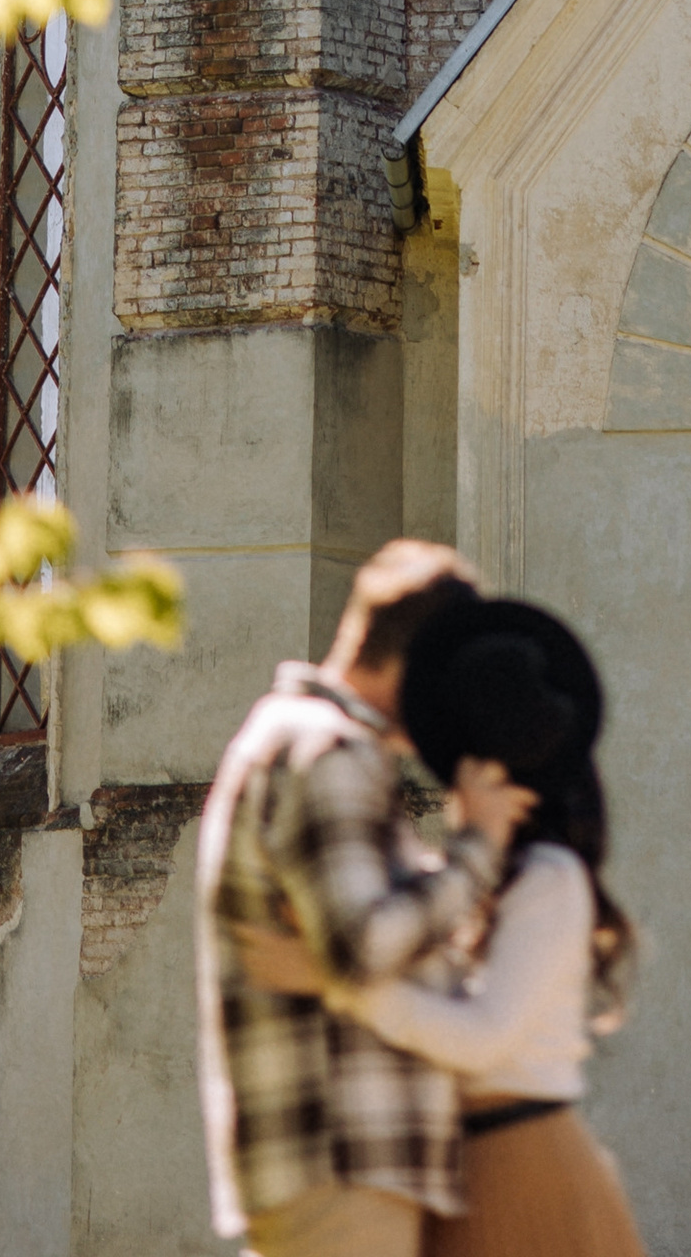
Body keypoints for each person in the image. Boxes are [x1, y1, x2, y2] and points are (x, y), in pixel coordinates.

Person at [239, 594, 646, 1257]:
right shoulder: (480, 879)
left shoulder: (550, 880)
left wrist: (340, 982)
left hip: (522, 1163)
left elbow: (483, 1039)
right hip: (469, 1167)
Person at [197, 539, 535, 1257]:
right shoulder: (331, 754)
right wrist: (478, 848)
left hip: (328, 1158)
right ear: (420, 666)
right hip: (343, 1154)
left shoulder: (297, 739)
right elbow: (364, 945)